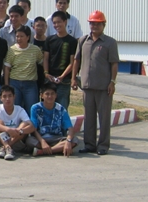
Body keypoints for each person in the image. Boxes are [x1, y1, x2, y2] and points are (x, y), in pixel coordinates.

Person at [71, 10, 119, 156]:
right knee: (89, 117)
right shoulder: (83, 41)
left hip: (104, 86)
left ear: (104, 25)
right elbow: (76, 60)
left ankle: (103, 145)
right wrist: (73, 78)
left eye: (98, 24)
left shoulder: (110, 42)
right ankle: (89, 144)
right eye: (92, 23)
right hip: (87, 85)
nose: (94, 26)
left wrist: (112, 82)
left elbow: (114, 64)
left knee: (104, 118)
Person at [29, 83, 78, 157]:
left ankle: (44, 151)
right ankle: (57, 149)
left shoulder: (61, 109)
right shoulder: (35, 108)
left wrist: (68, 141)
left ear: (56, 95)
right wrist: (42, 142)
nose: (50, 96)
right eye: (47, 94)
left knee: (74, 140)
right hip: (41, 138)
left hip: (57, 138)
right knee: (29, 140)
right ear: (41, 95)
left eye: (52, 94)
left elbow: (70, 129)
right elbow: (33, 129)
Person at [3, 25, 44, 115]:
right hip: (15, 83)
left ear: (28, 37)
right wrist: (6, 85)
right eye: (17, 36)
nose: (19, 39)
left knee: (32, 109)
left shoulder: (35, 50)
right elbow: (7, 68)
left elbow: (43, 63)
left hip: (30, 84)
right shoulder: (12, 50)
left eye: (21, 36)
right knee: (15, 109)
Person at [0, 85, 35, 160]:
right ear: (0, 98)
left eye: (10, 96)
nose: (7, 99)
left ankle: (6, 147)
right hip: (0, 140)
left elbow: (31, 126)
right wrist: (8, 129)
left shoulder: (20, 109)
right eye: (4, 96)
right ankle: (7, 147)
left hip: (16, 140)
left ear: (14, 97)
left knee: (24, 124)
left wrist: (20, 130)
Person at [43, 11, 77, 110]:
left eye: (59, 22)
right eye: (54, 23)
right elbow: (45, 58)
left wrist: (62, 76)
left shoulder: (72, 41)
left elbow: (72, 62)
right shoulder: (49, 40)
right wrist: (46, 73)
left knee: (62, 108)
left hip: (64, 81)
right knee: (47, 107)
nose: (56, 25)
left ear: (65, 22)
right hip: (49, 79)